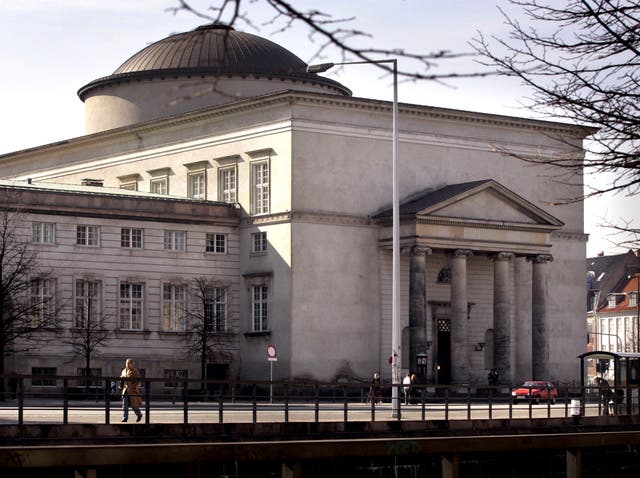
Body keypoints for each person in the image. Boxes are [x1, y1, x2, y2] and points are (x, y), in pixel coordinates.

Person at [120, 358, 143, 422]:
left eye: (128, 363)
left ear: (132, 364)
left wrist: (133, 386)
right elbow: (121, 378)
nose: (127, 364)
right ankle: (125, 418)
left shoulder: (135, 371)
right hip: (125, 390)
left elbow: (138, 381)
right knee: (125, 405)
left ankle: (139, 415)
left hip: (132, 391)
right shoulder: (124, 371)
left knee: (134, 405)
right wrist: (121, 385)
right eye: (126, 363)